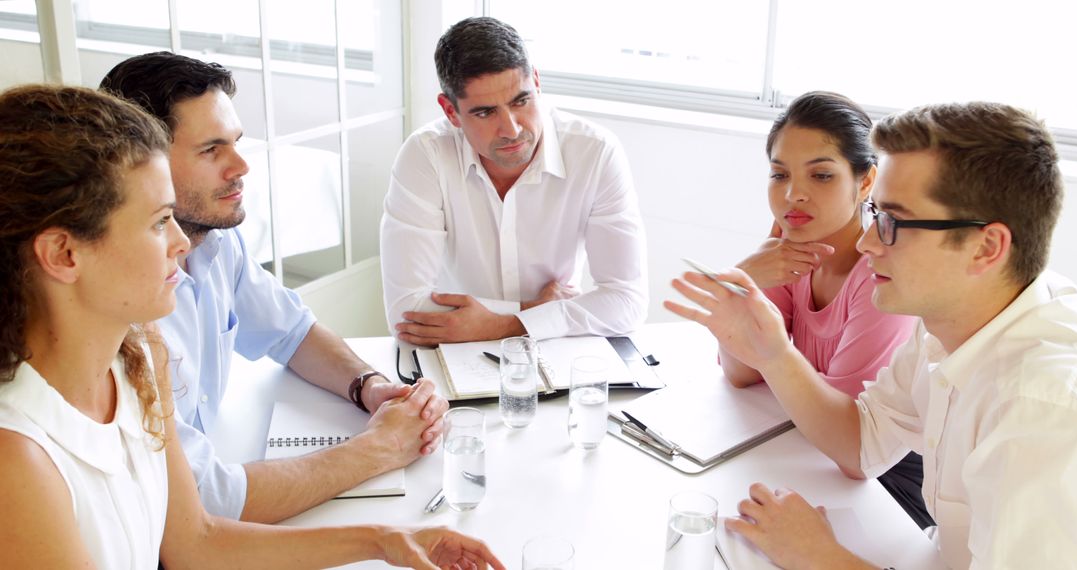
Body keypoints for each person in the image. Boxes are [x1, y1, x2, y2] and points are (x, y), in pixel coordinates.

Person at [0, 84, 503, 569]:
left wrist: (389, 540)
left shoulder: (138, 356)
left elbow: (197, 544)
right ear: (64, 254)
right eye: (157, 222)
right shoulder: (16, 461)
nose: (180, 242)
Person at [667, 101, 1077, 568]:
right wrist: (774, 353)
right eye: (874, 214)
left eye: (893, 224)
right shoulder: (946, 326)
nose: (866, 242)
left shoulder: (1043, 410)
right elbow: (863, 446)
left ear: (986, 248)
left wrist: (820, 556)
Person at [99, 51, 449, 523]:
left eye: (237, 143)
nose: (241, 166)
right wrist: (380, 449)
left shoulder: (216, 241)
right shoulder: (119, 304)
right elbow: (207, 500)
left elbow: (291, 331)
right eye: (211, 150)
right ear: (144, 164)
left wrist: (370, 387)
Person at [726, 91, 929, 528]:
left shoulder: (882, 276)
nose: (793, 195)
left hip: (888, 489)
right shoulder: (792, 252)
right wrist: (749, 280)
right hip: (811, 453)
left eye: (821, 176)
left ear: (866, 182)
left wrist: (737, 289)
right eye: (779, 175)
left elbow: (851, 446)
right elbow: (742, 372)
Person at [380, 16, 648, 346]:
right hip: (454, 347)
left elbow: (627, 303)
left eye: (520, 101)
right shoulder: (425, 156)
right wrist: (536, 310)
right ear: (451, 112)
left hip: (553, 348)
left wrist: (501, 325)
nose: (511, 129)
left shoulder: (595, 153)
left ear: (535, 81)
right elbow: (406, 313)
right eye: (485, 112)